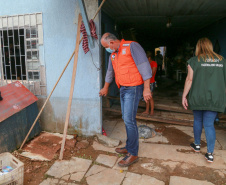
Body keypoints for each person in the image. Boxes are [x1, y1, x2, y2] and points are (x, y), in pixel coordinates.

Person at [99, 33, 152, 167]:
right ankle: (129, 147)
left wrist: (147, 88)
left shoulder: (132, 46)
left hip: (134, 88)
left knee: (129, 119)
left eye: (106, 46)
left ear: (111, 43)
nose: (106, 49)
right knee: (126, 118)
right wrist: (105, 88)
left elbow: (145, 66)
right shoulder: (113, 55)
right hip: (122, 88)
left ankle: (133, 153)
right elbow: (110, 72)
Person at [182, 37, 226, 163]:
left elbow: (189, 79)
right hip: (215, 98)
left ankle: (196, 145)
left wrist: (184, 95)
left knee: (197, 120)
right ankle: (210, 154)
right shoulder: (222, 61)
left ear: (198, 47)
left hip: (198, 97)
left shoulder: (194, 61)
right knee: (209, 124)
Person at [142, 51, 157, 116]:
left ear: (149, 58)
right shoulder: (147, 64)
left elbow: (152, 73)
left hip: (151, 82)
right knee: (146, 97)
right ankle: (147, 110)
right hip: (146, 82)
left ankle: (152, 111)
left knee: (150, 97)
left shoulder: (154, 63)